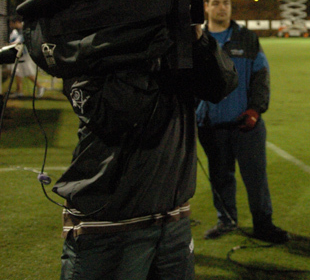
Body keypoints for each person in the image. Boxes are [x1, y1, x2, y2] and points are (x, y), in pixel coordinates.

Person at [56, 24, 238, 280]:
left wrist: (198, 40)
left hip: (172, 217)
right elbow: (118, 113)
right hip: (109, 224)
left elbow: (222, 85)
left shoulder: (176, 38)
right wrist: (147, 41)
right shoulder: (95, 32)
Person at [196, 0, 289, 244]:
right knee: (220, 176)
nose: (221, 8)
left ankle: (263, 224)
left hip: (246, 124)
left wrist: (255, 109)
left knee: (255, 176)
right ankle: (226, 221)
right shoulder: (197, 39)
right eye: (216, 3)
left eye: (226, 3)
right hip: (211, 125)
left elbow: (261, 75)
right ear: (206, 7)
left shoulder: (246, 38)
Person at [8, 15, 45, 98]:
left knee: (28, 73)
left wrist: (12, 44)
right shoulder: (16, 31)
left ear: (17, 22)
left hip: (24, 55)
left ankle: (40, 87)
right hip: (18, 55)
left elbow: (21, 40)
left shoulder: (23, 29)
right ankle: (19, 91)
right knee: (17, 73)